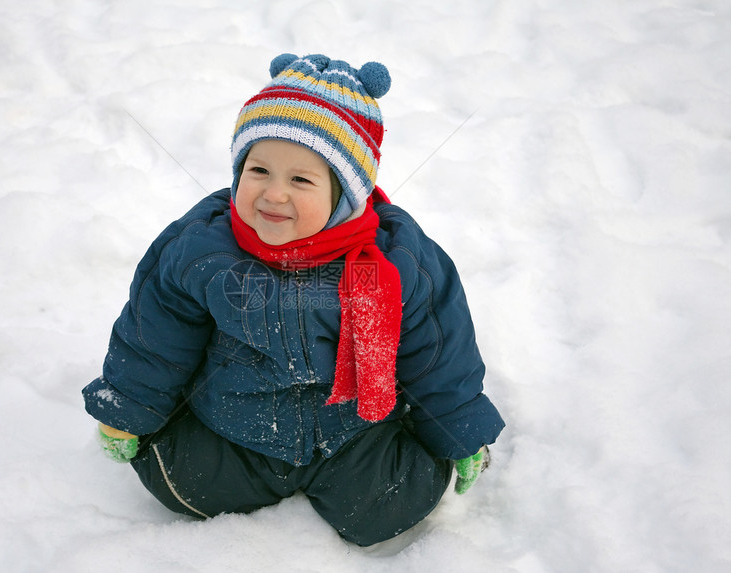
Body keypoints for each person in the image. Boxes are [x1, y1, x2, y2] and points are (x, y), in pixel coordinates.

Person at [82, 53, 505, 547]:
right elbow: (155, 335)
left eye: (301, 180)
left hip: (354, 431)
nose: (273, 194)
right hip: (237, 421)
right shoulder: (203, 249)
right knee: (184, 482)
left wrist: (457, 428)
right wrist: (128, 409)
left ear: (346, 194)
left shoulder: (398, 262)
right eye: (259, 170)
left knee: (391, 503)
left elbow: (437, 350)